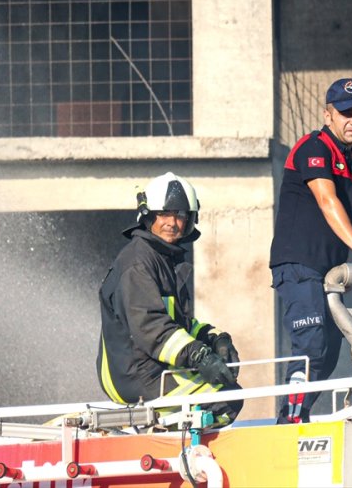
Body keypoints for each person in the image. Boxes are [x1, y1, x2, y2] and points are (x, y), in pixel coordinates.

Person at [269, 78, 352, 423]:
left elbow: (345, 214)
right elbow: (326, 199)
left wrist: (343, 266)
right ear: (328, 114)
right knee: (311, 344)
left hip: (326, 272)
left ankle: (297, 413)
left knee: (331, 351)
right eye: (346, 112)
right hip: (298, 265)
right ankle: (289, 422)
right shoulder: (314, 147)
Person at [97, 171, 243, 427]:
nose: (172, 222)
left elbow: (179, 322)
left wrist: (214, 337)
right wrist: (199, 356)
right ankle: (180, 443)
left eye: (180, 215)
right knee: (226, 399)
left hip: (152, 367)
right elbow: (153, 329)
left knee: (228, 392)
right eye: (164, 214)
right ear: (149, 215)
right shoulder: (138, 263)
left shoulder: (163, 259)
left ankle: (179, 436)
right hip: (136, 374)